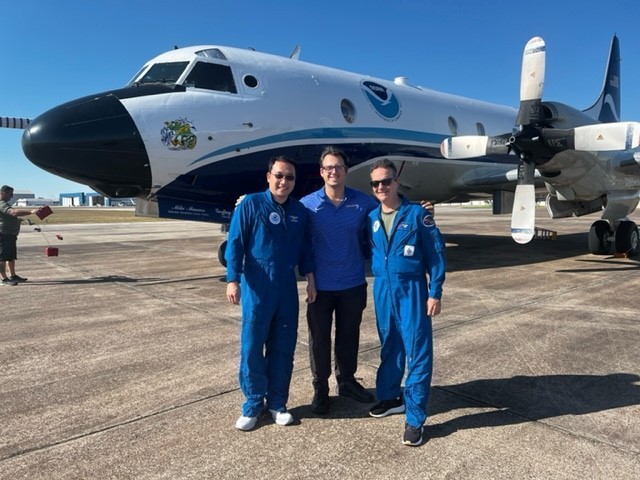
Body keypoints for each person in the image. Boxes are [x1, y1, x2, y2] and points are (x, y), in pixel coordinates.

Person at [225, 155, 316, 431]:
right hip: (258, 285)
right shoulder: (250, 204)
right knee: (252, 346)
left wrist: (310, 279)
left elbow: (305, 250)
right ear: (268, 177)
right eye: (279, 175)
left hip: (287, 287)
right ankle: (253, 403)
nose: (283, 181)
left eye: (289, 177)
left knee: (283, 346)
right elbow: (235, 243)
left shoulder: (300, 211)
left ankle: (277, 402)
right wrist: (233, 280)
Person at [366, 159, 446, 447]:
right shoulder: (372, 217)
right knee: (390, 345)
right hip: (383, 290)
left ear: (396, 181)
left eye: (386, 181)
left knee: (417, 352)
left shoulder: (417, 215)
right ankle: (389, 397)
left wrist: (434, 292)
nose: (381, 187)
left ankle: (414, 419)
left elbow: (436, 255)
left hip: (412, 290)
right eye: (375, 183)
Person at [300, 147, 378, 414]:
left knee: (348, 336)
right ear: (322, 172)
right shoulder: (307, 205)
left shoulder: (363, 202)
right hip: (320, 286)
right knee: (319, 339)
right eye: (329, 167)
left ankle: (346, 381)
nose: (334, 171)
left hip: (353, 283)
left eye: (339, 167)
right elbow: (297, 241)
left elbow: (390, 210)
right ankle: (320, 388)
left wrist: (418, 208)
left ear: (346, 171)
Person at [0, 185, 40, 286]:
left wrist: (18, 220)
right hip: (4, 235)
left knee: (11, 256)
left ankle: (13, 276)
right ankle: (4, 279)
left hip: (10, 235)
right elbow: (13, 212)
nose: (12, 196)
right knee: (2, 258)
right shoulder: (1, 204)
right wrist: (30, 212)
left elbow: (9, 216)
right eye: (10, 194)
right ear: (3, 193)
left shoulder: (5, 204)